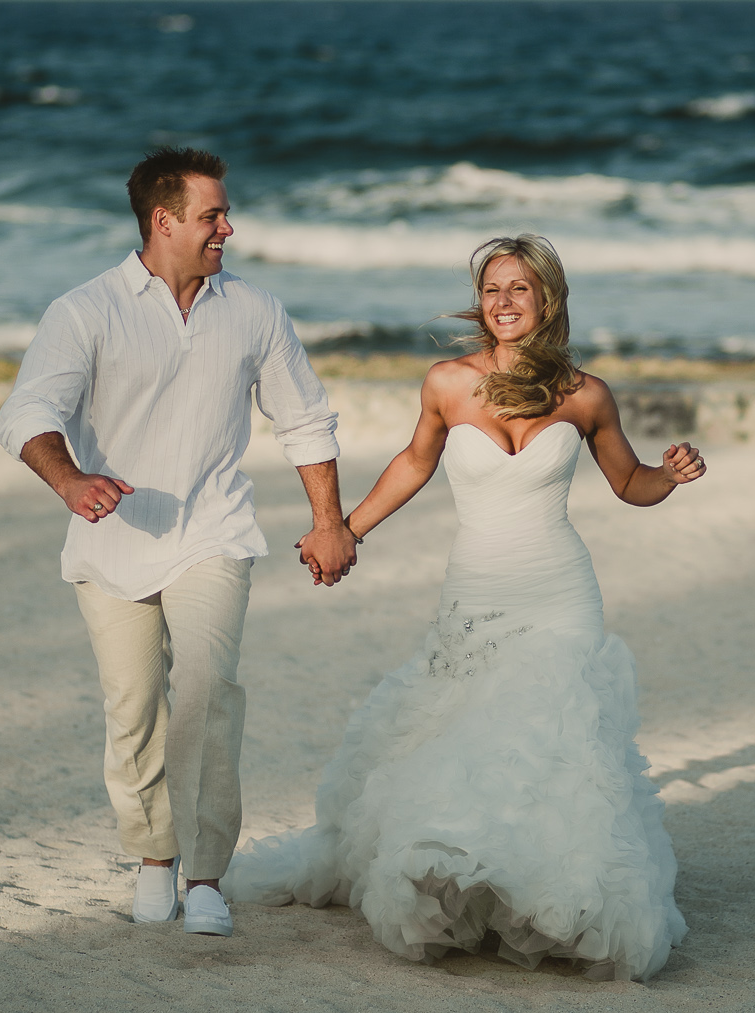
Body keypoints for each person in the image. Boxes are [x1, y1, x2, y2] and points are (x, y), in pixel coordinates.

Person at [224, 233, 703, 980]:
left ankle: (551, 900)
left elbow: (629, 482)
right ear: (480, 302)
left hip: (561, 592)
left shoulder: (586, 393)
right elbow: (415, 462)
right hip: (476, 590)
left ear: (548, 299)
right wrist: (343, 530)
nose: (504, 301)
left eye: (520, 288)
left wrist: (669, 474)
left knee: (554, 741)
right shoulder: (448, 382)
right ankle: (469, 884)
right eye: (492, 289)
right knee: (470, 730)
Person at [0, 146, 359, 939]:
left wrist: (328, 519)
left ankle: (203, 874)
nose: (228, 226)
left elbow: (304, 419)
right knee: (133, 708)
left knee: (207, 687)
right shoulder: (85, 310)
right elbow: (26, 413)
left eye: (223, 213)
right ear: (163, 222)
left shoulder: (255, 310)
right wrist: (71, 481)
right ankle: (153, 858)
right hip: (112, 539)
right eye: (212, 215)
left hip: (213, 530)